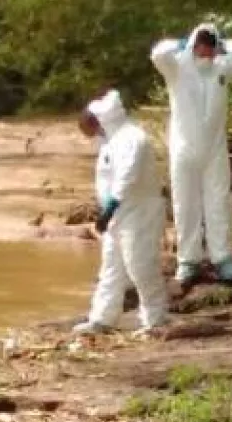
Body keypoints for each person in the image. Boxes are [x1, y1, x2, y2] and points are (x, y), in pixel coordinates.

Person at [151, 22, 232, 286]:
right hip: (184, 148)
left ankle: (223, 258)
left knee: (218, 201)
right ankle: (188, 260)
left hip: (214, 149)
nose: (206, 52)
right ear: (193, 45)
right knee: (185, 204)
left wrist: (225, 44)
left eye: (210, 46)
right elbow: (157, 54)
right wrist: (181, 44)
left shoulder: (222, 67)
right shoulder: (177, 67)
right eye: (201, 45)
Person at [73, 89, 170, 336]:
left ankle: (155, 318)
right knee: (111, 266)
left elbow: (127, 177)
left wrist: (111, 208)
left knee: (140, 264)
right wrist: (107, 209)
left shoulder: (132, 139)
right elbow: (107, 178)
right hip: (118, 212)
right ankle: (102, 318)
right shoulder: (110, 141)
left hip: (140, 211)